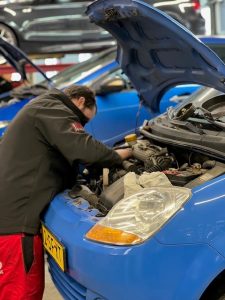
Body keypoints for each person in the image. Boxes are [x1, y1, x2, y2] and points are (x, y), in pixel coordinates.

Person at [0, 85, 132, 300]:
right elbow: (84, 149)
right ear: (79, 101)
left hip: (12, 212)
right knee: (22, 293)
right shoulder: (53, 108)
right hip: (15, 225)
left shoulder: (42, 107)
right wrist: (120, 155)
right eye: (82, 120)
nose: (82, 125)